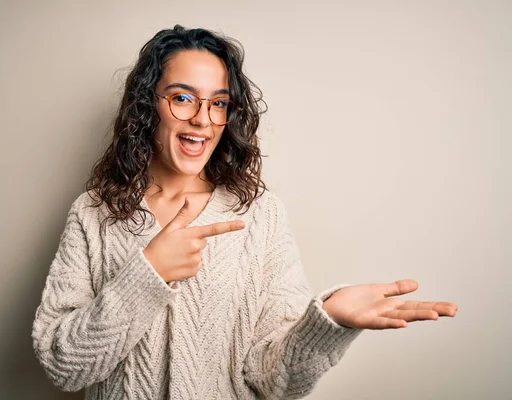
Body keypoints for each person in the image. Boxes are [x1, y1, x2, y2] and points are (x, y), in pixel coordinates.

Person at [31, 25, 458, 399]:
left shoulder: (259, 215)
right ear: (148, 106)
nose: (202, 119)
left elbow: (275, 381)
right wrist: (147, 275)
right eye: (183, 98)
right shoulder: (94, 214)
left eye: (218, 103)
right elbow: (63, 367)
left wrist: (328, 322)